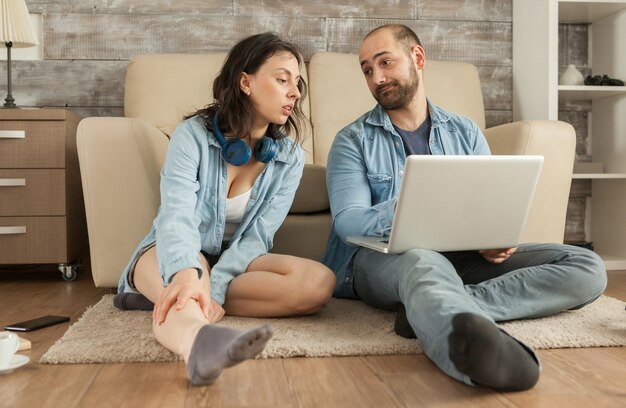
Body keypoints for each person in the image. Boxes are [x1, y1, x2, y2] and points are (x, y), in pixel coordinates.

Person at [322, 24, 607, 391]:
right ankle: (468, 356)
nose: (377, 77)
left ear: (417, 58)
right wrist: (413, 205)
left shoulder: (465, 131)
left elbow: (486, 203)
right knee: (424, 262)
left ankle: (435, 306)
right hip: (386, 260)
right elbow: (348, 223)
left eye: (385, 62)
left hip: (464, 258)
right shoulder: (352, 140)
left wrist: (493, 236)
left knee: (586, 266)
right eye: (367, 69)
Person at [113, 32, 336, 386]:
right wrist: (189, 274)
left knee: (318, 283)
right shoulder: (193, 136)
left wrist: (214, 287)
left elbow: (260, 234)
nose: (294, 92)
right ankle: (197, 342)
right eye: (282, 79)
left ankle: (185, 299)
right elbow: (177, 213)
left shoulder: (289, 157)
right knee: (188, 281)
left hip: (239, 261)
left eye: (297, 83)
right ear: (245, 82)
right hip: (178, 250)